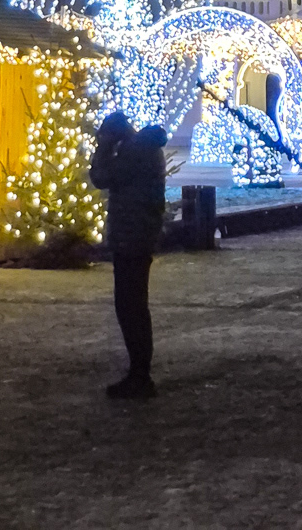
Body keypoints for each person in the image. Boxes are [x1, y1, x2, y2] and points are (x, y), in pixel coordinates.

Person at [90, 110, 167, 399]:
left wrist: (104, 148)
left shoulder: (134, 153)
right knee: (134, 305)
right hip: (139, 234)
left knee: (130, 306)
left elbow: (101, 176)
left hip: (132, 237)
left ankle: (140, 374)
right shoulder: (144, 149)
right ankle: (139, 372)